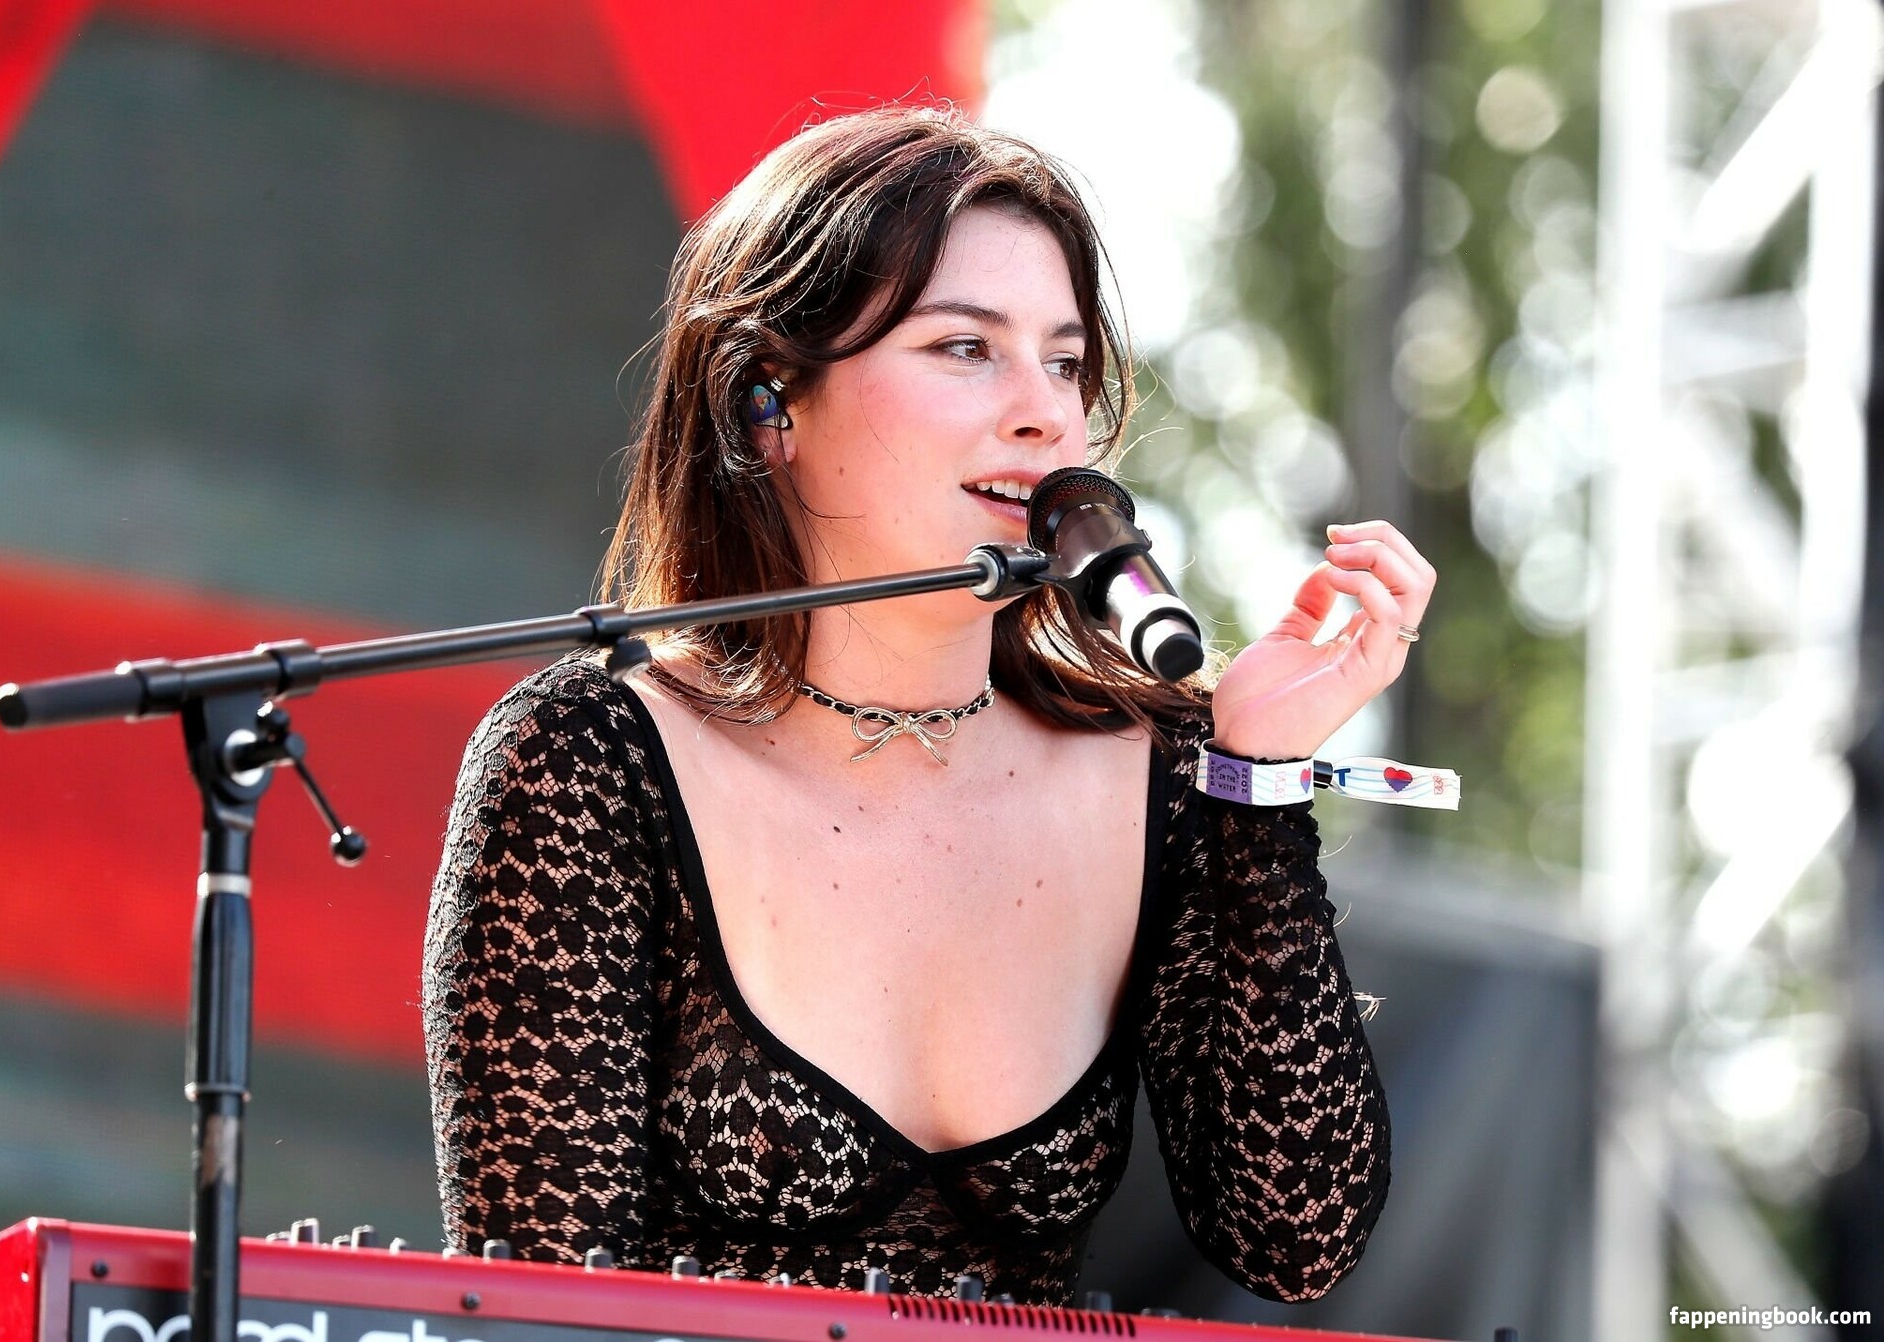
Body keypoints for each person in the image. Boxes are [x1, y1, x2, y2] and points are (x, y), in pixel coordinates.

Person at [423, 103, 1433, 1308]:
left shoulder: (1159, 765)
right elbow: (534, 1306)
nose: (1045, 412)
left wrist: (1258, 777)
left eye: (1066, 362)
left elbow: (1296, 1236)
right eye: (966, 347)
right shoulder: (592, 763)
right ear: (769, 405)